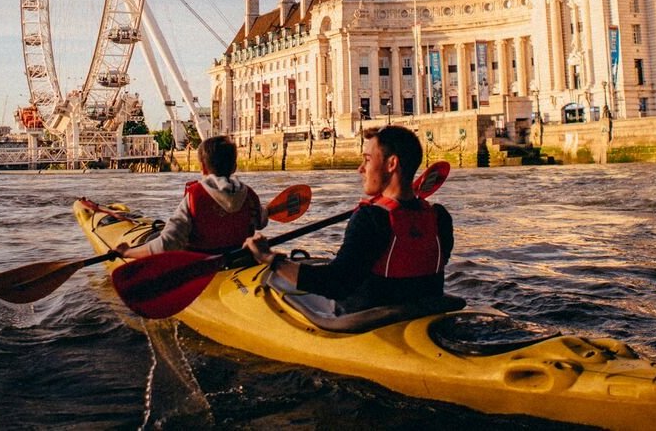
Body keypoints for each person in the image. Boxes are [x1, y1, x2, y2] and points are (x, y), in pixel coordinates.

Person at [244, 125, 453, 313]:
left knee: (276, 282)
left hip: (370, 320)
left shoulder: (370, 218)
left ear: (392, 164)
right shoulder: (439, 216)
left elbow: (336, 285)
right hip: (424, 313)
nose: (360, 169)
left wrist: (270, 258)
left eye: (367, 160)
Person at [116, 135, 268, 259]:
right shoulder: (249, 195)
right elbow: (261, 221)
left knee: (151, 239)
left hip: (201, 265)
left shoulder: (195, 196)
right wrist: (266, 211)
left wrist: (127, 252)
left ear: (202, 167)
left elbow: (166, 245)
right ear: (234, 167)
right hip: (240, 258)